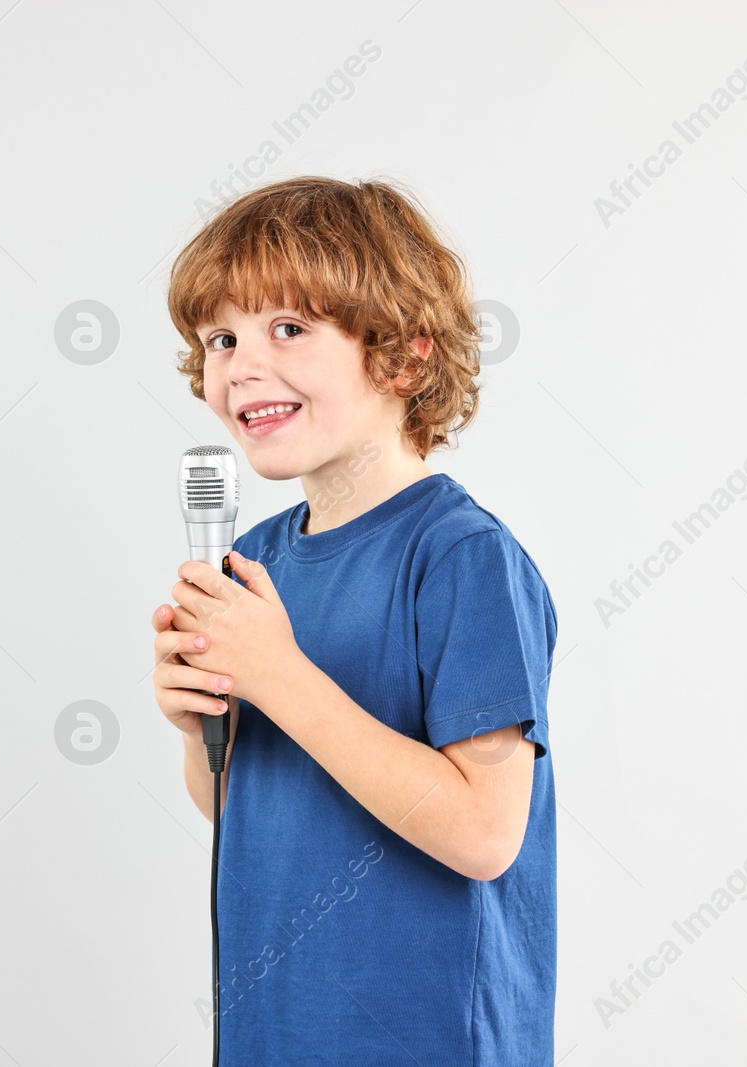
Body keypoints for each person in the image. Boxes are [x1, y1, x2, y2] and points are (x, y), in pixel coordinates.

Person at [149, 175, 559, 1064]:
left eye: (287, 329)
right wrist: (200, 732)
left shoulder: (459, 556)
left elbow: (487, 834)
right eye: (221, 338)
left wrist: (282, 677)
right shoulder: (255, 559)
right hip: (279, 1033)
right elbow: (238, 806)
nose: (241, 365)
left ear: (403, 358)